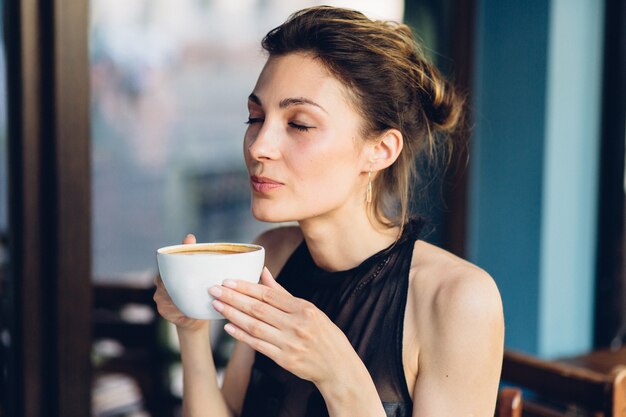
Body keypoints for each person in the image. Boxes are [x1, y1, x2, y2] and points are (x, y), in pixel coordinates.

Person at [154, 6, 504, 417]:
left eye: (299, 124)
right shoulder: (274, 254)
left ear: (380, 150)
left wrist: (340, 376)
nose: (257, 146)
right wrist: (192, 332)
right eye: (256, 117)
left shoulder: (457, 300)